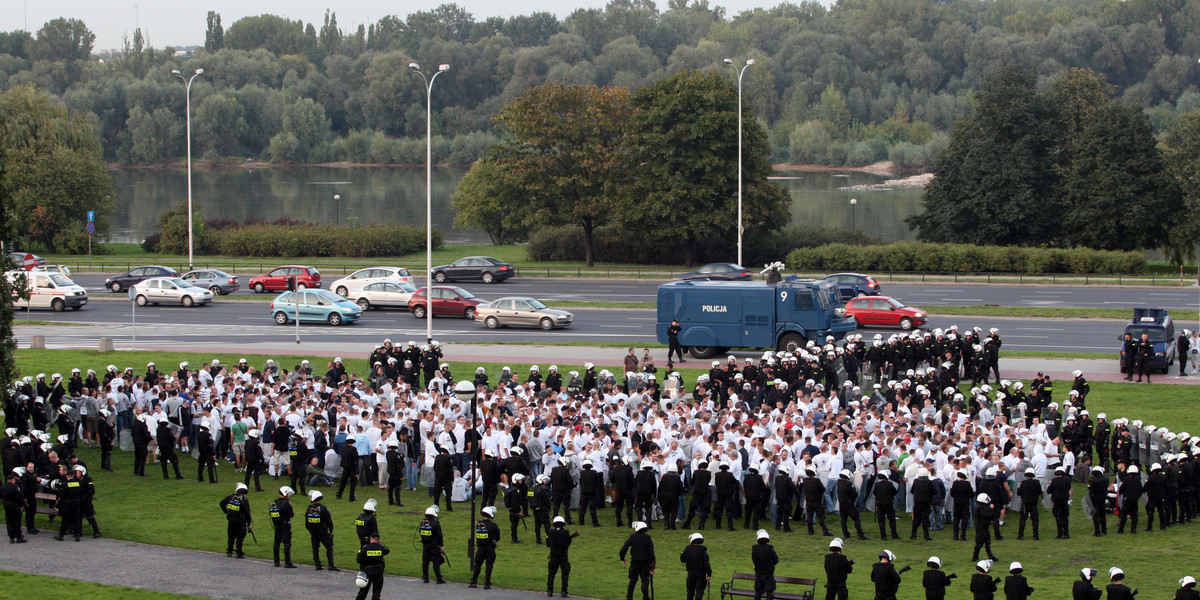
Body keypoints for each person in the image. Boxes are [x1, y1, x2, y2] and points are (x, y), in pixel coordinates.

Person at [620, 521, 656, 600]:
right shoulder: (648, 538)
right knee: (645, 581)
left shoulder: (632, 537)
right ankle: (645, 597)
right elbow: (652, 554)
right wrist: (652, 567)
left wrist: (622, 558)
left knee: (632, 581)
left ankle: (629, 597)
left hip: (634, 563)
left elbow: (623, 549)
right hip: (645, 564)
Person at [305, 490, 339, 571]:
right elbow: (329, 521)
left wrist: (309, 530)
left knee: (315, 548)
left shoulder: (309, 508)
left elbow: (306, 521)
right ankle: (331, 565)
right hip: (323, 532)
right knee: (329, 547)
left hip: (313, 532)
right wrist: (331, 530)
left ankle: (317, 565)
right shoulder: (324, 508)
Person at [470, 505, 501, 589]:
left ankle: (474, 581)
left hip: (480, 548)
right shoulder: (493, 525)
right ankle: (486, 583)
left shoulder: (479, 524)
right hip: (490, 548)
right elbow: (498, 537)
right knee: (489, 565)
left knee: (477, 564)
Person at [220, 482, 252, 558]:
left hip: (231, 520)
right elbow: (247, 513)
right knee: (240, 537)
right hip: (240, 522)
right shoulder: (244, 500)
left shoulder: (231, 497)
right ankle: (239, 553)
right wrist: (249, 523)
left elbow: (222, 503)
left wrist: (227, 512)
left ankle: (229, 552)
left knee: (231, 536)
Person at [355, 533, 389, 600]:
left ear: (371, 538)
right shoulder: (381, 548)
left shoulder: (365, 548)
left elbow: (359, 560)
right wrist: (381, 544)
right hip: (378, 571)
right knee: (376, 591)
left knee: (363, 592)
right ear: (378, 540)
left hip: (367, 572)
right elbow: (387, 550)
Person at [836, 469, 868, 540]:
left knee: (843, 519)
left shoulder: (839, 483)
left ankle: (845, 534)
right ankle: (861, 535)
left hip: (842, 504)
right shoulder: (849, 484)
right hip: (849, 504)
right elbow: (854, 494)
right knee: (856, 519)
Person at [270, 486, 297, 568]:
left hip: (277, 525)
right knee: (287, 543)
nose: (289, 495)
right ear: (286, 494)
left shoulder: (275, 502)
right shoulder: (287, 503)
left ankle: (276, 561)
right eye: (289, 494)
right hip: (285, 525)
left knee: (277, 543)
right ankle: (287, 562)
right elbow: (291, 514)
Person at [419, 505, 447, 584]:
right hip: (434, 546)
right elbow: (439, 536)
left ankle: (425, 577)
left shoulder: (423, 523)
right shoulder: (435, 523)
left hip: (425, 545)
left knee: (425, 562)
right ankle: (439, 579)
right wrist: (441, 545)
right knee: (436, 561)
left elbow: (420, 532)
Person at [547, 515, 574, 598]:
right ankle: (564, 591)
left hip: (553, 556)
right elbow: (568, 543)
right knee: (565, 574)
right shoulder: (566, 532)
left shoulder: (550, 532)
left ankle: (550, 590)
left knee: (551, 574)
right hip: (563, 557)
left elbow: (548, 544)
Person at [680, 532, 711, 600]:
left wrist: (682, 553)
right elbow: (706, 563)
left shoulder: (687, 549)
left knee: (690, 592)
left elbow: (682, 560)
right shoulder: (703, 550)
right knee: (699, 591)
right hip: (701, 574)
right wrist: (709, 574)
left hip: (690, 574)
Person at [751, 529, 779, 600]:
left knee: (758, 591)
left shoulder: (754, 549)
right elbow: (776, 560)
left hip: (758, 573)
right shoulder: (770, 549)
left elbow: (754, 560)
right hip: (768, 573)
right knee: (769, 592)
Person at [683, 461, 711, 529]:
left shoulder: (695, 473)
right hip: (705, 493)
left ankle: (688, 523)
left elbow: (692, 481)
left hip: (696, 493)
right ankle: (702, 524)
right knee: (704, 510)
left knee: (692, 509)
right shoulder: (708, 473)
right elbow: (708, 481)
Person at [1016, 468, 1042, 540]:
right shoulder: (1036, 482)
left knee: (1023, 519)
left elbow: (1018, 493)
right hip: (1034, 503)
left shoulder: (1023, 483)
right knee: (1035, 520)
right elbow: (1039, 492)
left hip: (1025, 504)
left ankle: (1020, 535)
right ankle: (1035, 535)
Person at [873, 471, 900, 540]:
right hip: (889, 504)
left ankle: (883, 536)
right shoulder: (889, 484)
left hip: (880, 504)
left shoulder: (877, 484)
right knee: (892, 520)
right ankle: (894, 535)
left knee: (881, 521)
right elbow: (894, 492)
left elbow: (874, 493)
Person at [2, 470, 27, 544]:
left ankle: (11, 537)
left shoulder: (3, 487)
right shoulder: (15, 487)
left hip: (7, 505)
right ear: (12, 480)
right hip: (15, 505)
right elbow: (20, 497)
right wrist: (22, 505)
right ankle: (18, 537)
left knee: (9, 521)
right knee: (16, 521)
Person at [972, 493, 998, 562]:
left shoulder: (981, 507)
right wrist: (991, 509)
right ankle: (975, 557)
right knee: (979, 543)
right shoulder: (980, 509)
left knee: (987, 542)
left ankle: (990, 556)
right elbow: (989, 515)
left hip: (984, 527)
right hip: (981, 528)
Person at [1048, 467, 1073, 538]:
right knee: (1065, 517)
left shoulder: (1054, 481)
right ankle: (1066, 533)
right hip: (1065, 500)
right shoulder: (1067, 480)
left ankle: (1060, 534)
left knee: (1059, 517)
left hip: (1057, 501)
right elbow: (1068, 487)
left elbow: (1049, 490)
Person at [578, 459, 604, 527]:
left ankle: (581, 521)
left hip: (584, 492)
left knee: (583, 507)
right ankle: (595, 523)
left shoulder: (582, 473)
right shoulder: (594, 472)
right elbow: (597, 481)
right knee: (592, 508)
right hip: (592, 492)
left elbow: (580, 482)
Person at [1117, 466, 1142, 534]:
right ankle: (1133, 530)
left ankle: (1121, 529)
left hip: (1127, 500)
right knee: (1134, 515)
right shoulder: (1138, 480)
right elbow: (1140, 490)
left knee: (1124, 515)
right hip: (1134, 500)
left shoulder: (1126, 480)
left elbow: (1121, 490)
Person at [505, 472, 529, 543]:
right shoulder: (515, 490)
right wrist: (518, 511)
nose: (521, 481)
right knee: (514, 524)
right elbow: (516, 502)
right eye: (519, 480)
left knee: (514, 524)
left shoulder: (512, 488)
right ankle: (514, 538)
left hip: (512, 510)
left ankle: (514, 538)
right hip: (515, 510)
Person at [337, 434, 359, 502]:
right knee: (353, 483)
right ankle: (351, 497)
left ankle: (339, 494)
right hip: (352, 468)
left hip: (345, 467)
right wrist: (356, 471)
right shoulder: (353, 449)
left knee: (343, 481)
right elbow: (355, 461)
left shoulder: (343, 448)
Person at [1088, 467, 1108, 537]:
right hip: (1103, 499)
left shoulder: (1092, 481)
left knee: (1096, 516)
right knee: (1103, 515)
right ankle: (1104, 530)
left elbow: (1090, 492)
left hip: (1095, 500)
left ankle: (1097, 532)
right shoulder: (1106, 480)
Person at [432, 446, 454, 511]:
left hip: (438, 478)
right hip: (446, 478)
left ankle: (436, 506)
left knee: (437, 493)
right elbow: (450, 470)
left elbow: (434, 467)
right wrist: (451, 479)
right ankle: (448, 507)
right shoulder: (448, 458)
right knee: (448, 493)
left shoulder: (437, 457)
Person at [385, 440, 404, 506]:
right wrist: (401, 475)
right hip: (396, 474)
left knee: (390, 488)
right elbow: (398, 466)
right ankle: (398, 502)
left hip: (390, 473)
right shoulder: (397, 455)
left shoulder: (388, 453)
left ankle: (390, 501)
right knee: (397, 488)